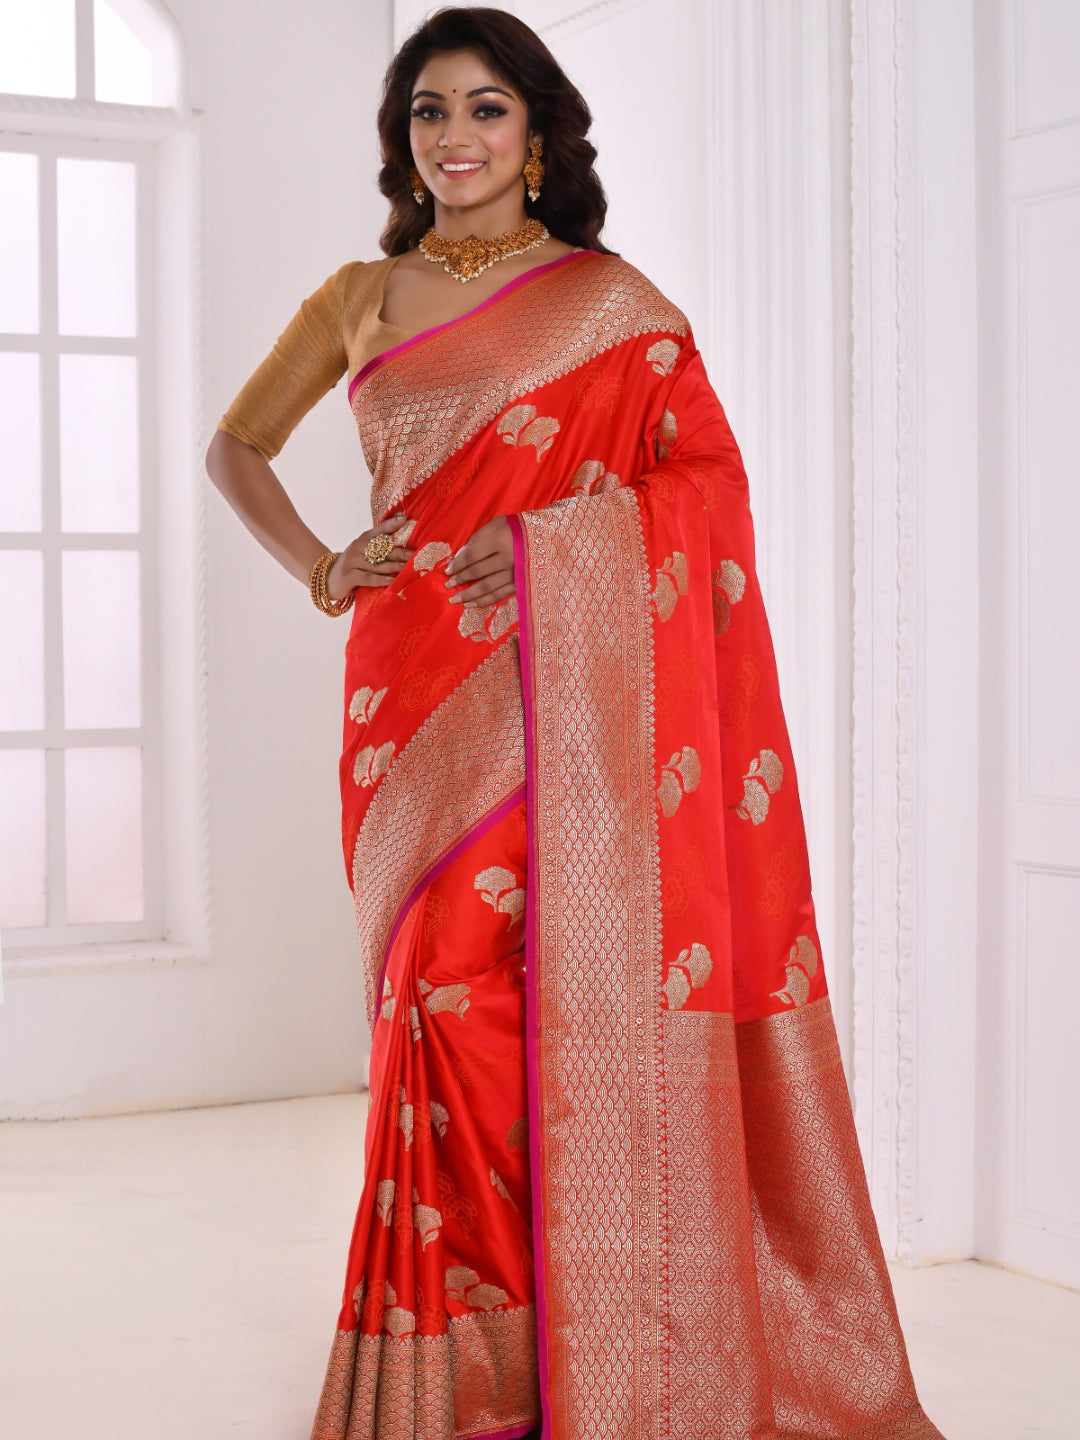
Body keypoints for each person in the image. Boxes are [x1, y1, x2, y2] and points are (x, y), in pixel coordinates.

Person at [207, 9, 945, 1439]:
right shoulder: (358, 296)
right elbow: (236, 445)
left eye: (486, 109)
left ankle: (589, 1355)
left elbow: (709, 486)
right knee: (435, 1007)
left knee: (542, 1009)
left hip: (573, 707)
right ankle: (459, 1367)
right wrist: (323, 566)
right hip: (406, 699)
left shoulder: (613, 308)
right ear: (403, 138)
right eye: (430, 110)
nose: (456, 137)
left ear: (537, 134)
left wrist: (556, 545)